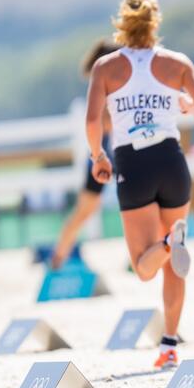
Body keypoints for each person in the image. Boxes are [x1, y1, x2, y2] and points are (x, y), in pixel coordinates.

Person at [86, 0, 194, 368]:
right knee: (175, 262)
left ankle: (168, 241)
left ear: (121, 23)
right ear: (155, 22)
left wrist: (97, 156)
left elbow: (93, 121)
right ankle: (169, 345)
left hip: (133, 164)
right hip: (171, 162)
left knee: (144, 267)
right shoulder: (177, 64)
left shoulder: (106, 68)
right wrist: (184, 103)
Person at [49, 39, 121, 269]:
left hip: (105, 150)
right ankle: (58, 258)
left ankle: (58, 258)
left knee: (84, 212)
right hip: (106, 151)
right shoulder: (109, 86)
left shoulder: (104, 84)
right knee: (85, 211)